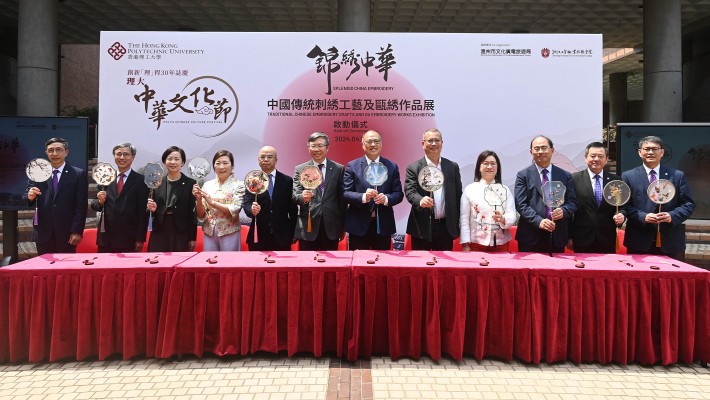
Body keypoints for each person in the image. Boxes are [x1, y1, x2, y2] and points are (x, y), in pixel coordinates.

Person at [621, 136, 695, 261]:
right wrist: (642, 216)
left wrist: (672, 215)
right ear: (640, 152)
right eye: (647, 149)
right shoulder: (628, 176)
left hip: (670, 241)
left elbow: (688, 204)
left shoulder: (677, 176)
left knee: (672, 279)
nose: (650, 152)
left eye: (655, 149)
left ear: (662, 152)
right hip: (639, 240)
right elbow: (625, 206)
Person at [23, 137, 88, 255]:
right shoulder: (37, 172)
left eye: (59, 150)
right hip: (43, 232)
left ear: (66, 152)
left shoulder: (78, 174)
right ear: (46, 152)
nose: (55, 154)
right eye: (51, 150)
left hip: (67, 233)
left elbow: (81, 206)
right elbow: (26, 197)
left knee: (66, 271)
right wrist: (30, 196)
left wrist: (77, 231)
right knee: (44, 271)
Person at [514, 135, 577, 253]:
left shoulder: (565, 175)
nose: (540, 151)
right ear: (531, 152)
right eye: (536, 148)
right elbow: (521, 204)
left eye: (544, 148)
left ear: (552, 150)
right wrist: (539, 221)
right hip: (530, 236)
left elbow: (572, 202)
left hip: (556, 235)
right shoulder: (523, 175)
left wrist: (563, 211)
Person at [343, 130, 404, 250]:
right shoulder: (352, 166)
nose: (373, 145)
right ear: (363, 144)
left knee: (382, 265)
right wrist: (363, 197)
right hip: (358, 226)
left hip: (383, 225)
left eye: (376, 141)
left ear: (381, 144)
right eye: (369, 141)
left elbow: (398, 194)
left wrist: (386, 198)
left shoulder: (391, 166)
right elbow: (345, 193)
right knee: (358, 264)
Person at [404, 128, 463, 250]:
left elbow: (458, 195)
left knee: (444, 266)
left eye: (437, 140)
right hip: (421, 226)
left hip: (446, 228)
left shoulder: (452, 167)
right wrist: (420, 200)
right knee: (421, 266)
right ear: (423, 143)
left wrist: (459, 222)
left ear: (442, 143)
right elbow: (410, 191)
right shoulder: (413, 167)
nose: (434, 144)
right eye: (430, 140)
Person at [90, 142, 149, 253]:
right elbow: (95, 205)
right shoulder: (105, 177)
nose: (122, 157)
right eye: (118, 154)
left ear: (133, 157)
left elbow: (143, 213)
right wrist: (100, 201)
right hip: (106, 237)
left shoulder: (141, 181)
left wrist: (140, 239)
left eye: (126, 154)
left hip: (129, 238)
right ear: (114, 156)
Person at [292, 132, 346, 251]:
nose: (316, 149)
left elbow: (342, 199)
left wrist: (342, 226)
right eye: (313, 146)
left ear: (327, 148)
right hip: (308, 226)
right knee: (307, 265)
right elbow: (295, 195)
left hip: (331, 226)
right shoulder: (300, 169)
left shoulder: (338, 169)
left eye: (320, 146)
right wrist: (302, 197)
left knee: (331, 266)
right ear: (308, 147)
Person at [568, 142, 625, 254]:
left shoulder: (615, 180)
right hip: (581, 238)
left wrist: (621, 215)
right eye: (592, 156)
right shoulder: (574, 179)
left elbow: (621, 206)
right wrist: (569, 236)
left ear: (607, 159)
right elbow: (569, 211)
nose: (596, 159)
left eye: (600, 156)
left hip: (607, 238)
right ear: (585, 158)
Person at [459, 150, 516, 252]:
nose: (489, 167)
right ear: (479, 167)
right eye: (486, 163)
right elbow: (464, 219)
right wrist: (465, 244)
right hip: (475, 244)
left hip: (501, 244)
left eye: (493, 164)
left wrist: (503, 219)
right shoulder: (470, 189)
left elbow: (511, 215)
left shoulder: (505, 190)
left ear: (497, 168)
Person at [243, 146, 297, 251]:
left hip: (282, 236)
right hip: (258, 235)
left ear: (276, 159)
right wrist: (251, 209)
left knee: (283, 267)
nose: (266, 159)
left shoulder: (287, 181)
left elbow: (293, 210)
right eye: (262, 157)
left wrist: (294, 232)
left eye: (270, 156)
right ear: (258, 160)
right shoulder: (252, 181)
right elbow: (247, 203)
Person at [146, 146, 197, 252]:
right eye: (169, 159)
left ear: (182, 162)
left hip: (181, 231)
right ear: (165, 161)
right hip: (160, 229)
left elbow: (192, 213)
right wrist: (154, 210)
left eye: (177, 159)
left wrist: (192, 238)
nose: (173, 162)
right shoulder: (157, 182)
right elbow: (151, 211)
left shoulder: (190, 183)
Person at [192, 150, 245, 251]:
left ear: (232, 166)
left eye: (225, 163)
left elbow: (235, 209)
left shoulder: (239, 185)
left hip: (229, 231)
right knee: (210, 263)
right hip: (209, 231)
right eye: (218, 163)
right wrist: (198, 200)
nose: (221, 167)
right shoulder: (207, 185)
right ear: (213, 167)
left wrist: (212, 202)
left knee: (229, 264)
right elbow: (201, 215)